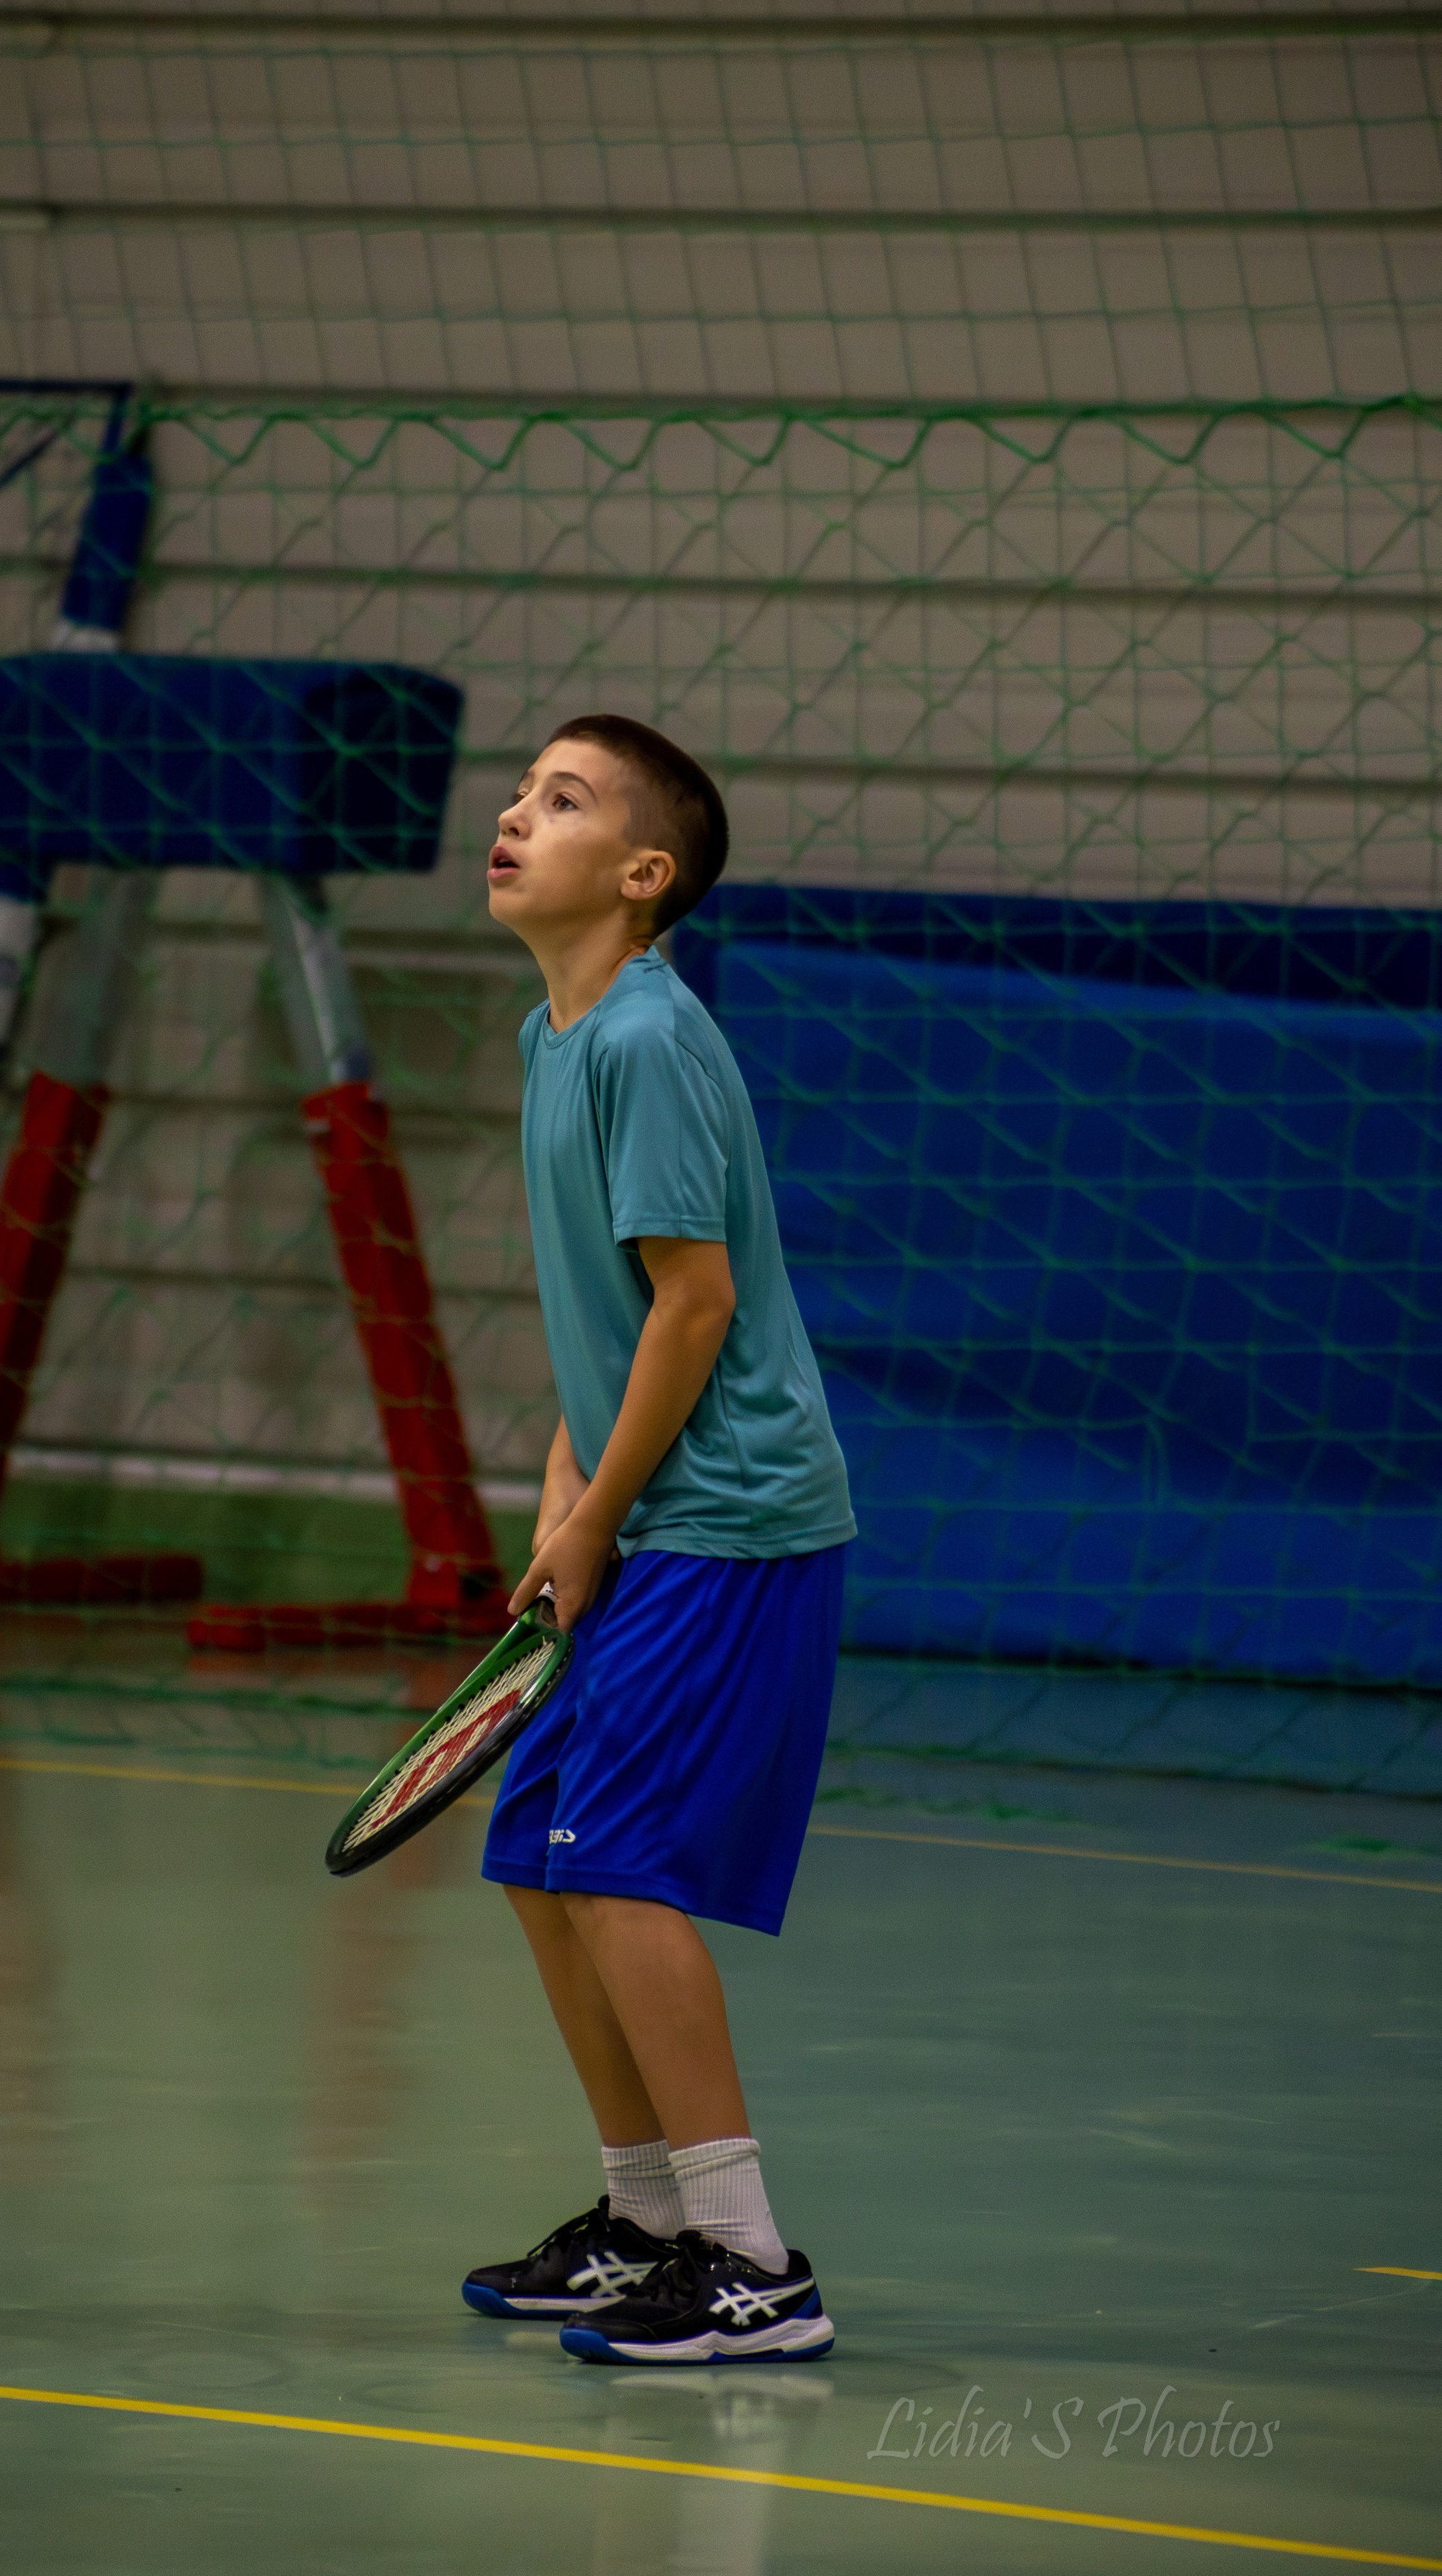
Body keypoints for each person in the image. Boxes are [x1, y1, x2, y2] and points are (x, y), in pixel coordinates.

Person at [463, 713, 856, 2367]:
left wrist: (602, 1516)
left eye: (558, 800)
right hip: (643, 1510)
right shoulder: (556, 1037)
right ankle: (643, 2221)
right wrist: (562, 1504)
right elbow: (611, 1320)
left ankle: (751, 2261)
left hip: (733, 1518)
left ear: (639, 877)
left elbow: (692, 1312)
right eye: (518, 787)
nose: (509, 812)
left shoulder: (643, 1040)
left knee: (613, 1859)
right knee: (535, 1849)